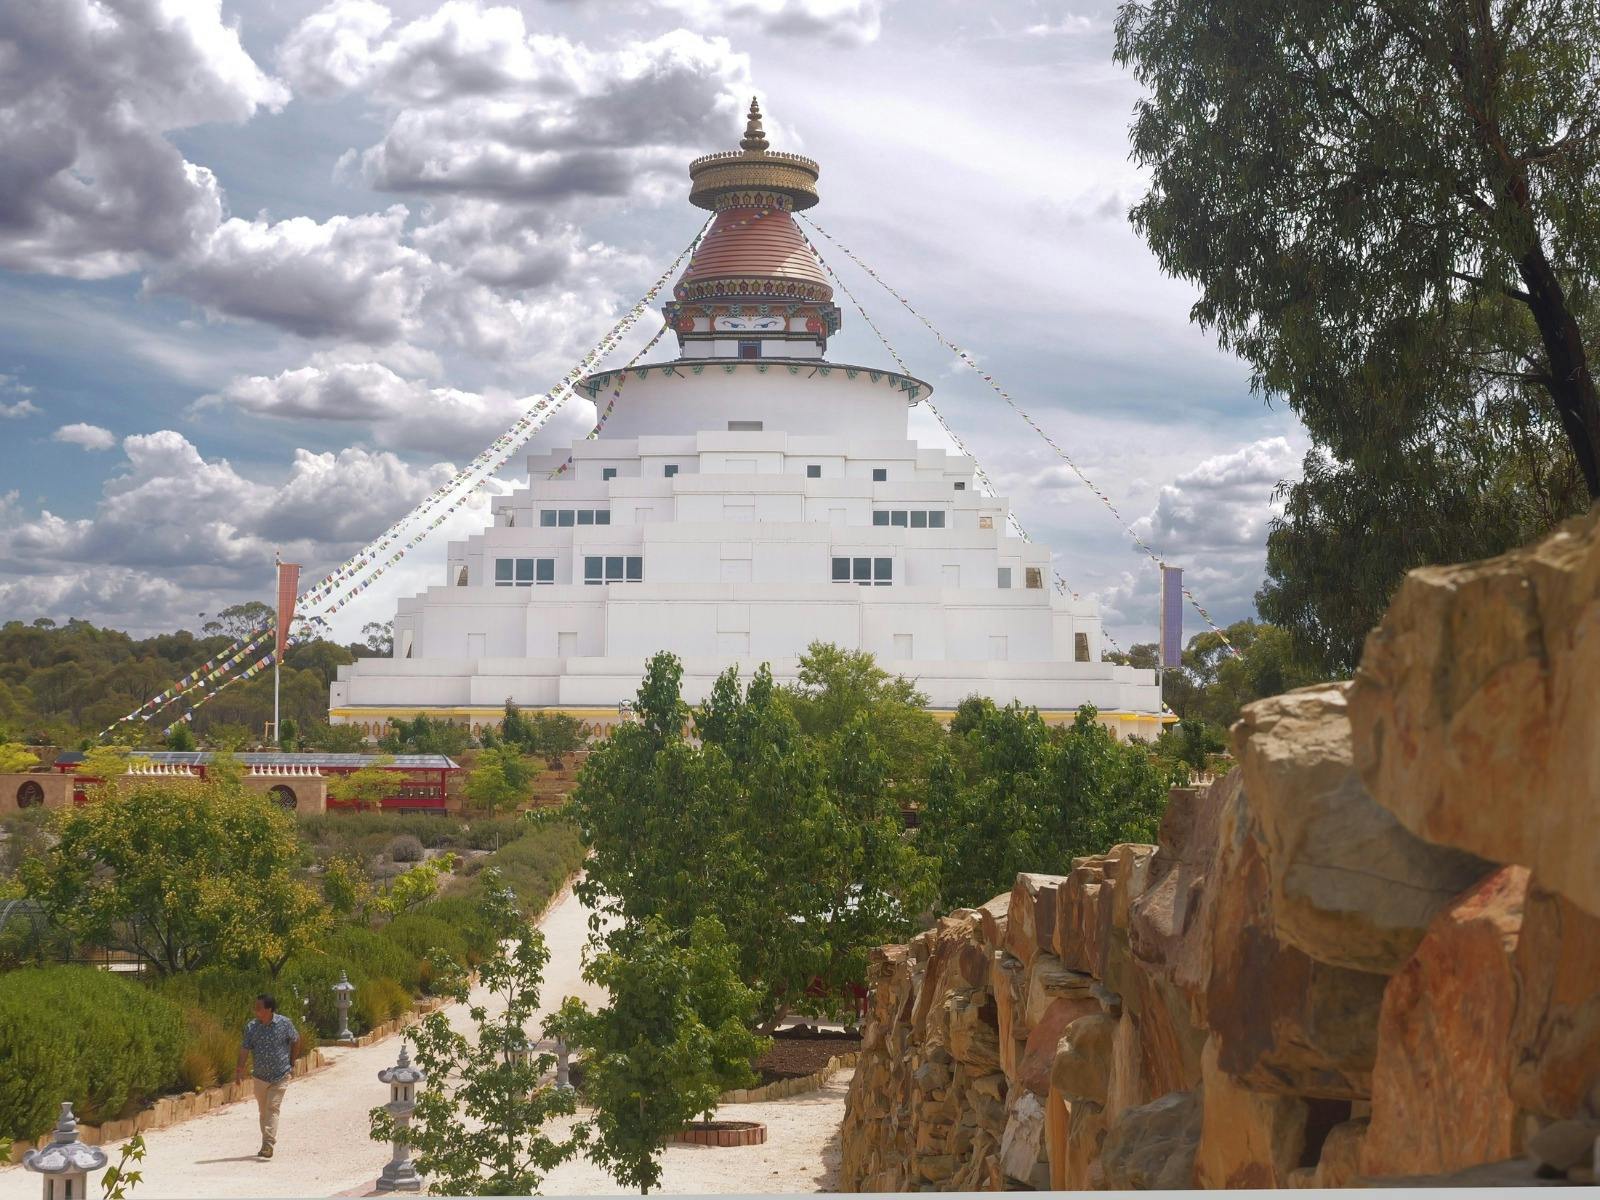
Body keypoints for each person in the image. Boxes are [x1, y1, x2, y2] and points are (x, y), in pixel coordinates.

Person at [235, 993, 301, 1160]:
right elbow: (245, 1049)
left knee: (272, 1108)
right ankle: (266, 1142)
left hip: (280, 1075)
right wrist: (239, 1070)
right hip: (260, 1077)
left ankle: (268, 1144)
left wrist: (292, 1062)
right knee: (263, 1111)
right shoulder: (252, 1027)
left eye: (259, 1007)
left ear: (269, 1009)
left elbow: (296, 1040)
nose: (255, 1010)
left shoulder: (284, 1024)